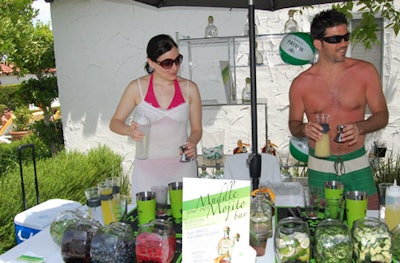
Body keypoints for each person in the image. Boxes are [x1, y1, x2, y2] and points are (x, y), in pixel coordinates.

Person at [288, 9, 388, 210]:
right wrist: (304, 129)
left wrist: (360, 127)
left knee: (369, 225)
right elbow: (294, 124)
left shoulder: (365, 72)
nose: (343, 43)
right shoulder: (301, 84)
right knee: (324, 229)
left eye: (346, 37)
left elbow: (382, 116)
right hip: (320, 166)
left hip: (357, 163)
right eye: (335, 39)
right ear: (318, 44)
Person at [109, 34, 202, 202]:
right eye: (167, 63)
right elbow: (114, 123)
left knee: (185, 222)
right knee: (148, 224)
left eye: (177, 60)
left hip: (183, 167)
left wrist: (192, 142)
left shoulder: (190, 88)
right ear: (151, 62)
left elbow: (196, 129)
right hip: (147, 170)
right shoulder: (136, 88)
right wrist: (129, 131)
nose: (175, 68)